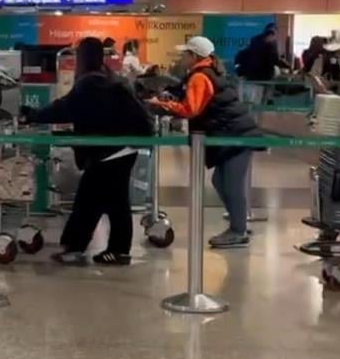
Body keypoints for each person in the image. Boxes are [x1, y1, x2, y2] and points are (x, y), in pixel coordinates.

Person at [24, 37, 153, 265]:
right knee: (114, 201)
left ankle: (78, 248)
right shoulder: (111, 80)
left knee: (90, 200)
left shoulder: (89, 83)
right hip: (125, 148)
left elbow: (65, 108)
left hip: (107, 152)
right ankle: (115, 250)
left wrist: (33, 115)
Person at [150, 36, 259, 248]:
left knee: (231, 185)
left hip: (235, 136)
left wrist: (163, 105)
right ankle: (238, 226)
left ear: (194, 56)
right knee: (220, 181)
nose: (182, 57)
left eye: (185, 54)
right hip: (232, 133)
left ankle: (238, 231)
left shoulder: (200, 76)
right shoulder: (207, 72)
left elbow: (191, 109)